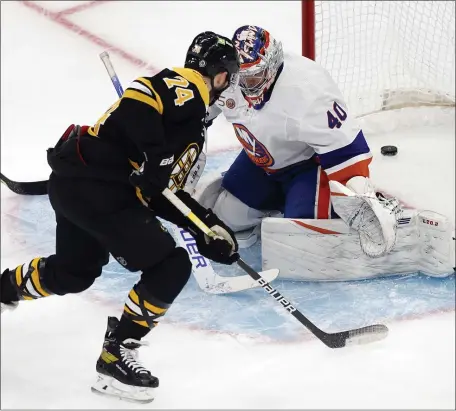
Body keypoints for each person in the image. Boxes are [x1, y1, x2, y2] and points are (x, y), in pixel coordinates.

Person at [0, 31, 240, 403]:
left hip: (76, 186)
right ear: (221, 75)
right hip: (99, 190)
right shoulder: (188, 89)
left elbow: (161, 194)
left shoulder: (188, 122)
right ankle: (116, 356)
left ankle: (3, 288)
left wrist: (207, 228)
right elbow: (137, 99)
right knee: (171, 265)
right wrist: (156, 157)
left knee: (74, 273)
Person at [199, 25, 401, 259]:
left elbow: (346, 153)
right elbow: (198, 112)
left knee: (300, 240)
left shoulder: (308, 90)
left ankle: (362, 207)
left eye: (255, 76)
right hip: (262, 162)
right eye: (241, 77)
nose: (247, 85)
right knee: (224, 220)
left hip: (309, 166)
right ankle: (280, 207)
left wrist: (358, 194)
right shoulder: (229, 76)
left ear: (272, 64)